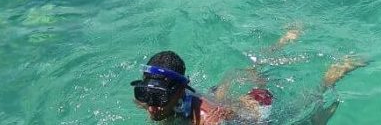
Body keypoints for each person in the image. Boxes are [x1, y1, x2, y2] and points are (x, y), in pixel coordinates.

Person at [131, 36, 365, 124]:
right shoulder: (153, 98)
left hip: (256, 109)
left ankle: (333, 73)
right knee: (245, 72)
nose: (151, 106)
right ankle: (283, 41)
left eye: (159, 98)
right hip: (214, 99)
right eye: (145, 95)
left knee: (305, 106)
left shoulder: (209, 121)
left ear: (180, 90)